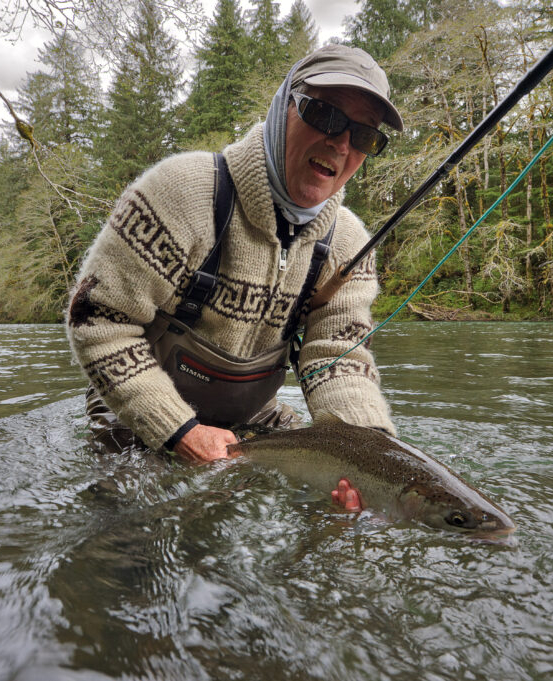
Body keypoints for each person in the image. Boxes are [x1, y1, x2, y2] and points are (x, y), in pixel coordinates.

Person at [66, 45, 401, 509]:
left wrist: (372, 461)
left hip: (252, 417)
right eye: (325, 115)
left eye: (364, 135)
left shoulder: (348, 245)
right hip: (135, 407)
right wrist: (178, 430)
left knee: (334, 520)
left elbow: (336, 361)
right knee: (130, 531)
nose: (341, 144)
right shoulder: (181, 193)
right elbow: (97, 321)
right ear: (283, 106)